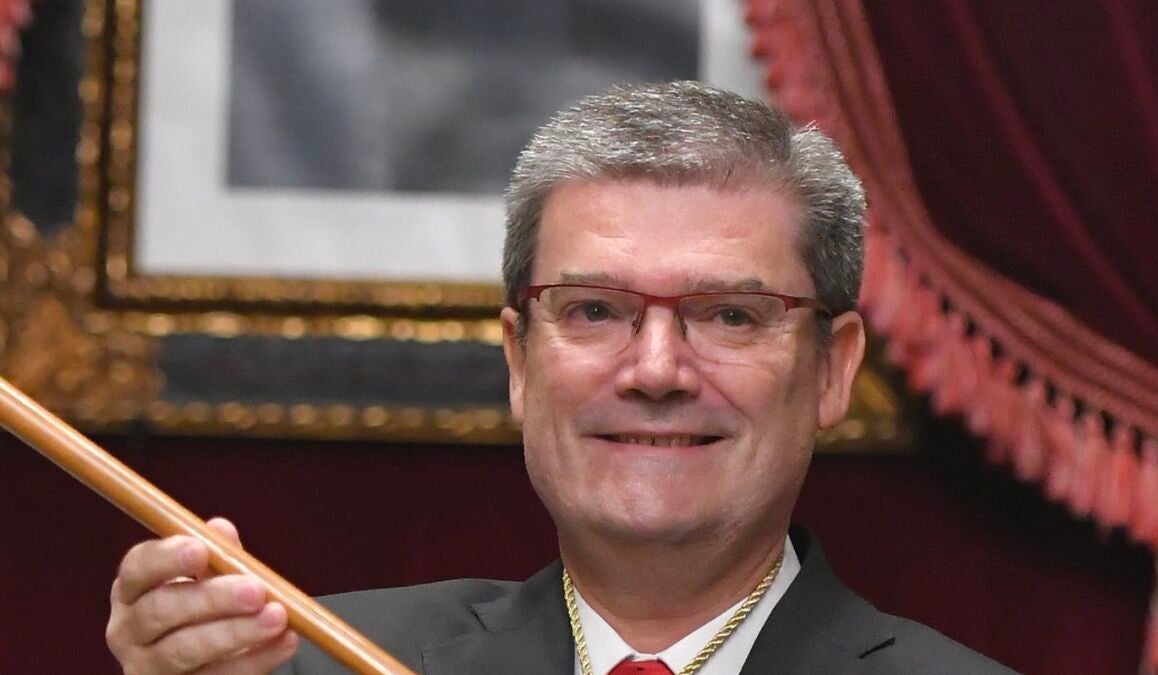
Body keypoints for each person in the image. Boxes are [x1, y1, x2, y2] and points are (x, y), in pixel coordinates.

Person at [106, 81, 1014, 674]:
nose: (656, 369)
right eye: (594, 310)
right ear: (519, 359)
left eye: (730, 315)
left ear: (832, 369)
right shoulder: (309, 662)